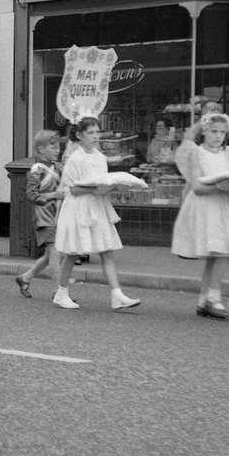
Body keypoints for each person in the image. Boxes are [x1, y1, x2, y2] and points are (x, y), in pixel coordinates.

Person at [52, 116, 142, 311]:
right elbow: (73, 190)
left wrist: (113, 188)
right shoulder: (75, 158)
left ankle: (117, 295)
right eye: (90, 133)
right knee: (72, 253)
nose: (95, 136)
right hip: (78, 208)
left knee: (106, 251)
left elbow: (103, 183)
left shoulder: (100, 158)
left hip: (98, 207)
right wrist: (96, 190)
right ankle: (61, 293)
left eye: (97, 132)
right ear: (79, 135)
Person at [170, 112, 229, 319]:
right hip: (206, 206)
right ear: (204, 131)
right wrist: (222, 185)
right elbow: (198, 186)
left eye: (222, 133)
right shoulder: (197, 153)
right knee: (222, 251)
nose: (218, 136)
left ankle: (204, 299)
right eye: (214, 131)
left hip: (223, 206)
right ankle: (213, 298)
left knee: (218, 253)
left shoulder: (227, 154)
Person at [13, 130, 64, 298]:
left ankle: (25, 277)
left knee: (52, 254)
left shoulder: (57, 167)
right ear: (41, 150)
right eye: (53, 147)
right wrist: (53, 195)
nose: (58, 150)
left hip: (56, 216)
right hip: (44, 216)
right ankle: (59, 291)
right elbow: (32, 195)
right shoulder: (37, 169)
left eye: (59, 147)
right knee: (55, 254)